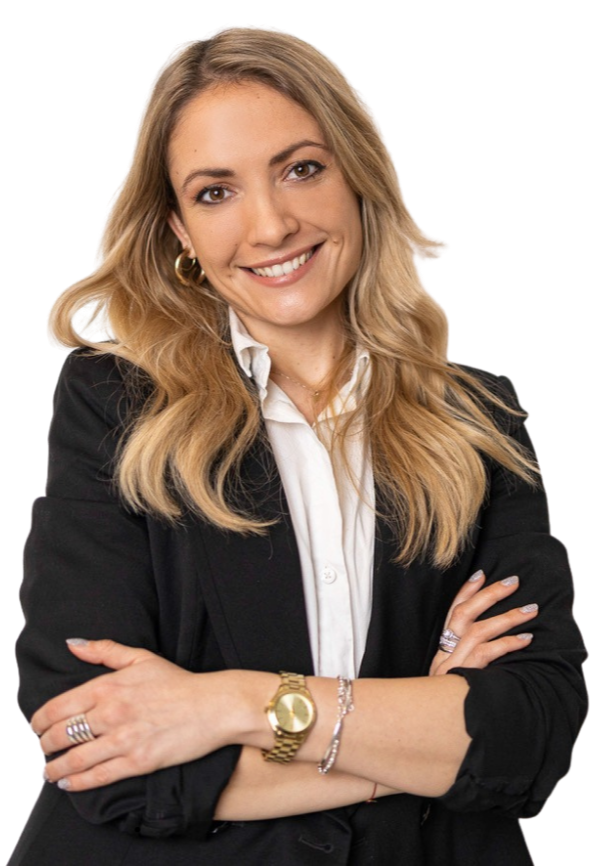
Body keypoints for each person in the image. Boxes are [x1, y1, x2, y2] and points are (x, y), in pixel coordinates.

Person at [11, 23, 587, 866]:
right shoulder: (115, 408)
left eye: (301, 169)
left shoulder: (480, 421)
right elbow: (101, 757)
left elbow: (529, 739)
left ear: (356, 173)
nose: (271, 225)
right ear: (179, 230)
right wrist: (412, 740)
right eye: (216, 192)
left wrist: (235, 705)